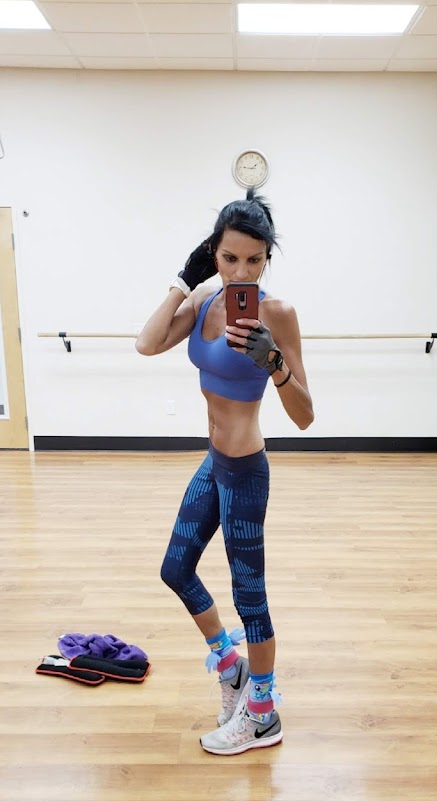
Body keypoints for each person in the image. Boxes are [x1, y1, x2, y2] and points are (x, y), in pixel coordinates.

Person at [135, 189, 314, 755]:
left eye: (254, 260)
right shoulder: (204, 300)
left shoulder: (277, 314)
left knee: (249, 596)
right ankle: (231, 667)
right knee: (175, 569)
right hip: (213, 463)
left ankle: (262, 714)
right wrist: (183, 281)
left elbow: (305, 415)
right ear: (213, 253)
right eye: (229, 257)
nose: (241, 272)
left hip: (246, 471)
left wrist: (273, 363)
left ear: (267, 259)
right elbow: (146, 343)